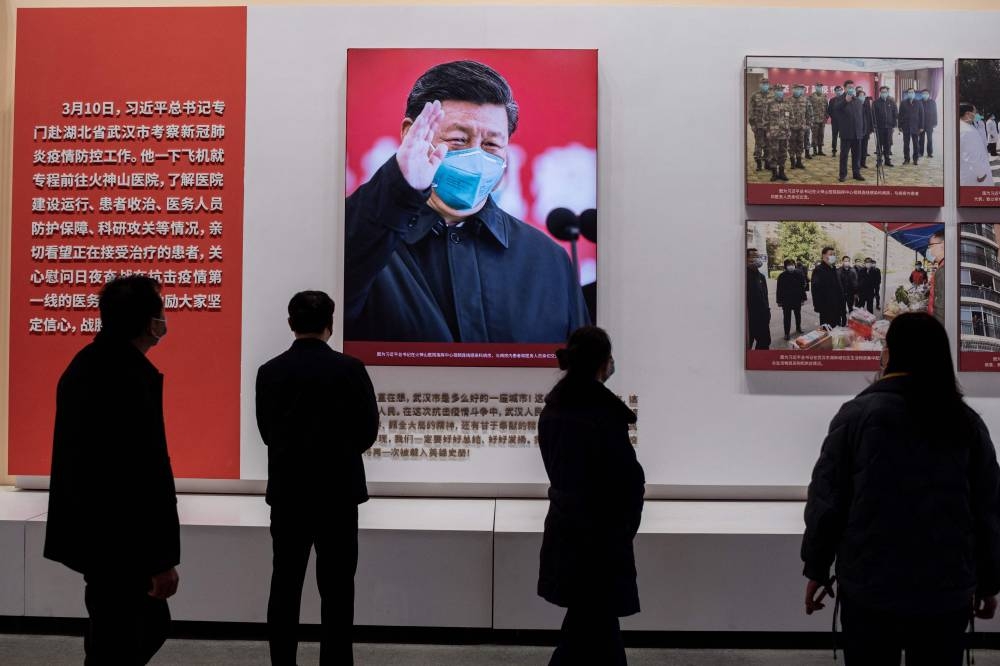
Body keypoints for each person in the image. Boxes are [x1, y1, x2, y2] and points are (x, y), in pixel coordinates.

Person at [802, 312, 1000, 665]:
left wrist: (817, 567)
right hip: (946, 589)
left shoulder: (856, 416)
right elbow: (988, 509)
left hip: (870, 587)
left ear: (889, 353)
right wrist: (988, 581)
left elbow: (828, 500)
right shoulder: (965, 423)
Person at [344, 60, 589, 344]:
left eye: (491, 145)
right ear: (410, 133)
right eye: (458, 140)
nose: (476, 156)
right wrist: (401, 186)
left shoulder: (547, 261)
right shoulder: (367, 241)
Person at [44, 275, 179, 665]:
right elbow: (141, 474)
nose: (164, 322)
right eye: (160, 314)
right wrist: (160, 558)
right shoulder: (128, 376)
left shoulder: (88, 365)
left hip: (97, 534)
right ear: (144, 321)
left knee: (115, 631)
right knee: (130, 632)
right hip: (122, 538)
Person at [256, 291, 380, 666]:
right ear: (331, 322)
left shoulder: (270, 371)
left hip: (290, 492)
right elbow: (367, 431)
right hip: (338, 493)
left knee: (285, 586)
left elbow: (267, 432)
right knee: (338, 590)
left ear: (291, 323)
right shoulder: (351, 369)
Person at [538, 326, 644, 666]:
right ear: (601, 363)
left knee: (588, 626)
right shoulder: (601, 414)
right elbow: (628, 481)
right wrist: (624, 527)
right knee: (594, 628)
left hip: (567, 531)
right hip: (600, 539)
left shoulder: (554, 409)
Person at [834, 87, 865, 182]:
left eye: (853, 87)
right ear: (845, 89)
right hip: (846, 133)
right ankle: (843, 174)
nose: (851, 89)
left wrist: (862, 130)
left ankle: (856, 173)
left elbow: (862, 117)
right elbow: (836, 109)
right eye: (849, 87)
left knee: (857, 155)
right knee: (844, 156)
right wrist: (845, 101)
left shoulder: (858, 101)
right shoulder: (840, 99)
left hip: (857, 133)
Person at [960, 103, 995, 187]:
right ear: (967, 114)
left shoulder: (965, 126)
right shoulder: (966, 131)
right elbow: (971, 156)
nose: (976, 115)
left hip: (971, 170)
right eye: (975, 112)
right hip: (975, 175)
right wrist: (981, 174)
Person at [811, 246, 845, 328]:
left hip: (837, 307)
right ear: (823, 256)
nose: (833, 256)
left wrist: (842, 310)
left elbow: (839, 289)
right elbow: (815, 290)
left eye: (834, 254)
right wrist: (819, 307)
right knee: (828, 333)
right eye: (830, 254)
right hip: (826, 309)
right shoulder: (819, 270)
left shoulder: (833, 269)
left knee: (837, 332)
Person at [746, 248, 771, 349]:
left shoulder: (761, 276)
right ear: (745, 258)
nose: (757, 258)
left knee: (765, 342)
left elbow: (765, 296)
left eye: (757, 256)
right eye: (753, 256)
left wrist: (767, 311)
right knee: (747, 345)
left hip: (762, 318)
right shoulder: (743, 276)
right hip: (749, 320)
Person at [765, 84, 790, 182]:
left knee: (783, 153)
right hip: (773, 134)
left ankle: (782, 172)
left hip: (784, 133)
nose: (780, 92)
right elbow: (765, 119)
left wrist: (789, 130)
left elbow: (791, 117)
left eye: (781, 90)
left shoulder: (787, 103)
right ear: (774, 91)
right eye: (778, 90)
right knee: (773, 153)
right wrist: (768, 131)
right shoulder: (769, 103)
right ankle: (774, 173)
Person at [777, 259, 807, 341]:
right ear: (785, 266)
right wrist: (779, 301)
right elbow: (779, 289)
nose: (791, 266)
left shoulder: (799, 274)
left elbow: (802, 288)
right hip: (786, 300)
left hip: (797, 299)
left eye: (792, 264)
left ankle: (798, 328)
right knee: (787, 317)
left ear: (795, 265)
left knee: (798, 315)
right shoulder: (782, 276)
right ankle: (786, 333)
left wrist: (803, 298)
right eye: (789, 264)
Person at [749, 77, 771, 171]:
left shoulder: (772, 95)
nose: (764, 85)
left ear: (768, 85)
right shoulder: (755, 95)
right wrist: (752, 124)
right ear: (760, 85)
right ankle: (758, 164)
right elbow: (751, 111)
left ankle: (767, 163)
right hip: (758, 126)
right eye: (763, 84)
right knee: (758, 145)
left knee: (768, 145)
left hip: (770, 126)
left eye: (766, 84)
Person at [788, 83, 813, 169]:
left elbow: (809, 113)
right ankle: (792, 162)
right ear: (792, 90)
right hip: (791, 128)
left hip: (801, 127)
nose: (797, 90)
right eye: (795, 89)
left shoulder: (805, 100)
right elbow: (784, 114)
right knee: (791, 145)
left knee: (800, 144)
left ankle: (799, 162)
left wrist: (808, 124)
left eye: (799, 89)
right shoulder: (788, 101)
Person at [898, 88, 924, 166]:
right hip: (905, 126)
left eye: (912, 92)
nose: (910, 93)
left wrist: (921, 126)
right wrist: (899, 125)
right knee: (906, 144)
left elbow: (922, 115)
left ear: (914, 93)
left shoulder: (919, 103)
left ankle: (915, 159)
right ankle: (906, 159)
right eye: (909, 92)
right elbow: (900, 115)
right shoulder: (903, 103)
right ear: (907, 94)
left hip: (915, 127)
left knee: (916, 144)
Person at [873, 86, 897, 167]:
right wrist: (874, 126)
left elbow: (895, 114)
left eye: (885, 92)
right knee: (879, 144)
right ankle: (879, 160)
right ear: (880, 93)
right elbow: (873, 115)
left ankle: (887, 160)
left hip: (889, 127)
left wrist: (894, 125)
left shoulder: (892, 102)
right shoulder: (875, 103)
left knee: (888, 144)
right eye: (882, 92)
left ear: (888, 92)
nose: (884, 93)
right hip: (879, 127)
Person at [927, 231, 945, 329]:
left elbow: (941, 309)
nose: (929, 250)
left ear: (943, 245)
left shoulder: (943, 270)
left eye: (931, 245)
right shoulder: (941, 266)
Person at [809, 83, 829, 156]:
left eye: (820, 86)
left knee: (821, 135)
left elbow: (827, 107)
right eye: (817, 86)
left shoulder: (824, 96)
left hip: (822, 119)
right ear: (815, 87)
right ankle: (814, 151)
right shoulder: (811, 96)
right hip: (814, 120)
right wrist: (810, 118)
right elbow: (809, 108)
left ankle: (820, 150)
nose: (819, 88)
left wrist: (826, 117)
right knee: (814, 135)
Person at [838, 256, 858, 324]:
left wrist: (856, 293)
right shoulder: (839, 271)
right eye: (845, 261)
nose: (846, 262)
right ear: (842, 262)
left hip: (850, 293)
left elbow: (855, 283)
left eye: (848, 261)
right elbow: (838, 283)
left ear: (849, 262)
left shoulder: (853, 270)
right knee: (842, 310)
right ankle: (843, 323)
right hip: (841, 294)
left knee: (851, 309)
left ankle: (851, 322)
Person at [857, 89, 874, 169]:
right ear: (857, 97)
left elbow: (870, 118)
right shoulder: (855, 105)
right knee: (858, 148)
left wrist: (871, 129)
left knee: (864, 147)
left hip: (866, 130)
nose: (862, 97)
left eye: (863, 96)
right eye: (860, 96)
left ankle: (863, 162)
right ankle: (857, 163)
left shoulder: (868, 105)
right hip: (857, 131)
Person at [918, 89, 937, 158]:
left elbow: (935, 113)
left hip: (930, 124)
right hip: (921, 124)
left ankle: (929, 153)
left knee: (930, 139)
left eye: (926, 93)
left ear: (929, 94)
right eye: (923, 93)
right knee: (921, 139)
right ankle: (920, 152)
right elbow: (917, 114)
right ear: (921, 94)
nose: (925, 95)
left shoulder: (932, 102)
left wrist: (935, 122)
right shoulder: (919, 102)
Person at [828, 85, 845, 157]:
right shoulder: (832, 100)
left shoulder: (845, 99)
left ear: (842, 91)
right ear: (835, 91)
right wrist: (833, 117)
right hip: (834, 122)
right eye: (837, 90)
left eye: (840, 90)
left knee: (843, 137)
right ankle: (834, 151)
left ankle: (843, 151)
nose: (839, 92)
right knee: (834, 137)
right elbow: (829, 110)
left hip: (843, 122)